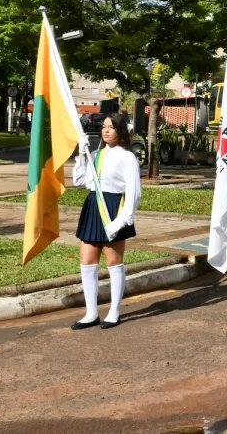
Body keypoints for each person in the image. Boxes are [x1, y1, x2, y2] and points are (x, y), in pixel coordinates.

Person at [71, 114, 141, 330]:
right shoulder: (96, 154)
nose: (107, 131)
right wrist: (82, 154)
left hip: (113, 208)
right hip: (93, 207)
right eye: (104, 127)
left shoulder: (128, 157)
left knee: (113, 262)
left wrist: (120, 222)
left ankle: (114, 311)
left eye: (112, 127)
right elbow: (80, 181)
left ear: (121, 130)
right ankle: (91, 313)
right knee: (87, 261)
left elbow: (133, 194)